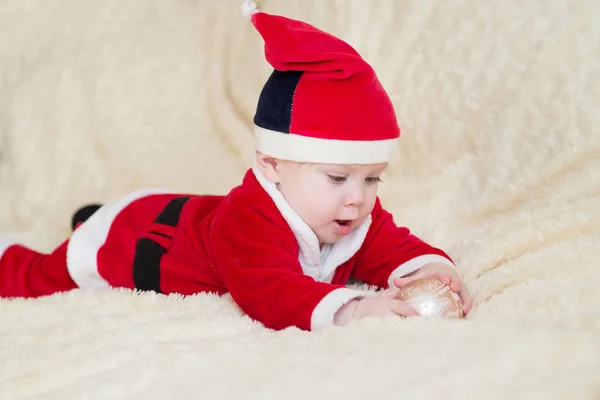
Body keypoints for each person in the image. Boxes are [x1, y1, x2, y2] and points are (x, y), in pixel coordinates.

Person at [0, 1, 473, 331]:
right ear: (271, 165)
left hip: (180, 210)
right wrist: (356, 311)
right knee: (36, 277)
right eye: (336, 177)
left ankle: (86, 214)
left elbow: (392, 246)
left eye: (371, 178)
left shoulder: (350, 212)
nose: (357, 196)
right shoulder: (247, 220)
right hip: (131, 235)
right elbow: (271, 292)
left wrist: (433, 271)